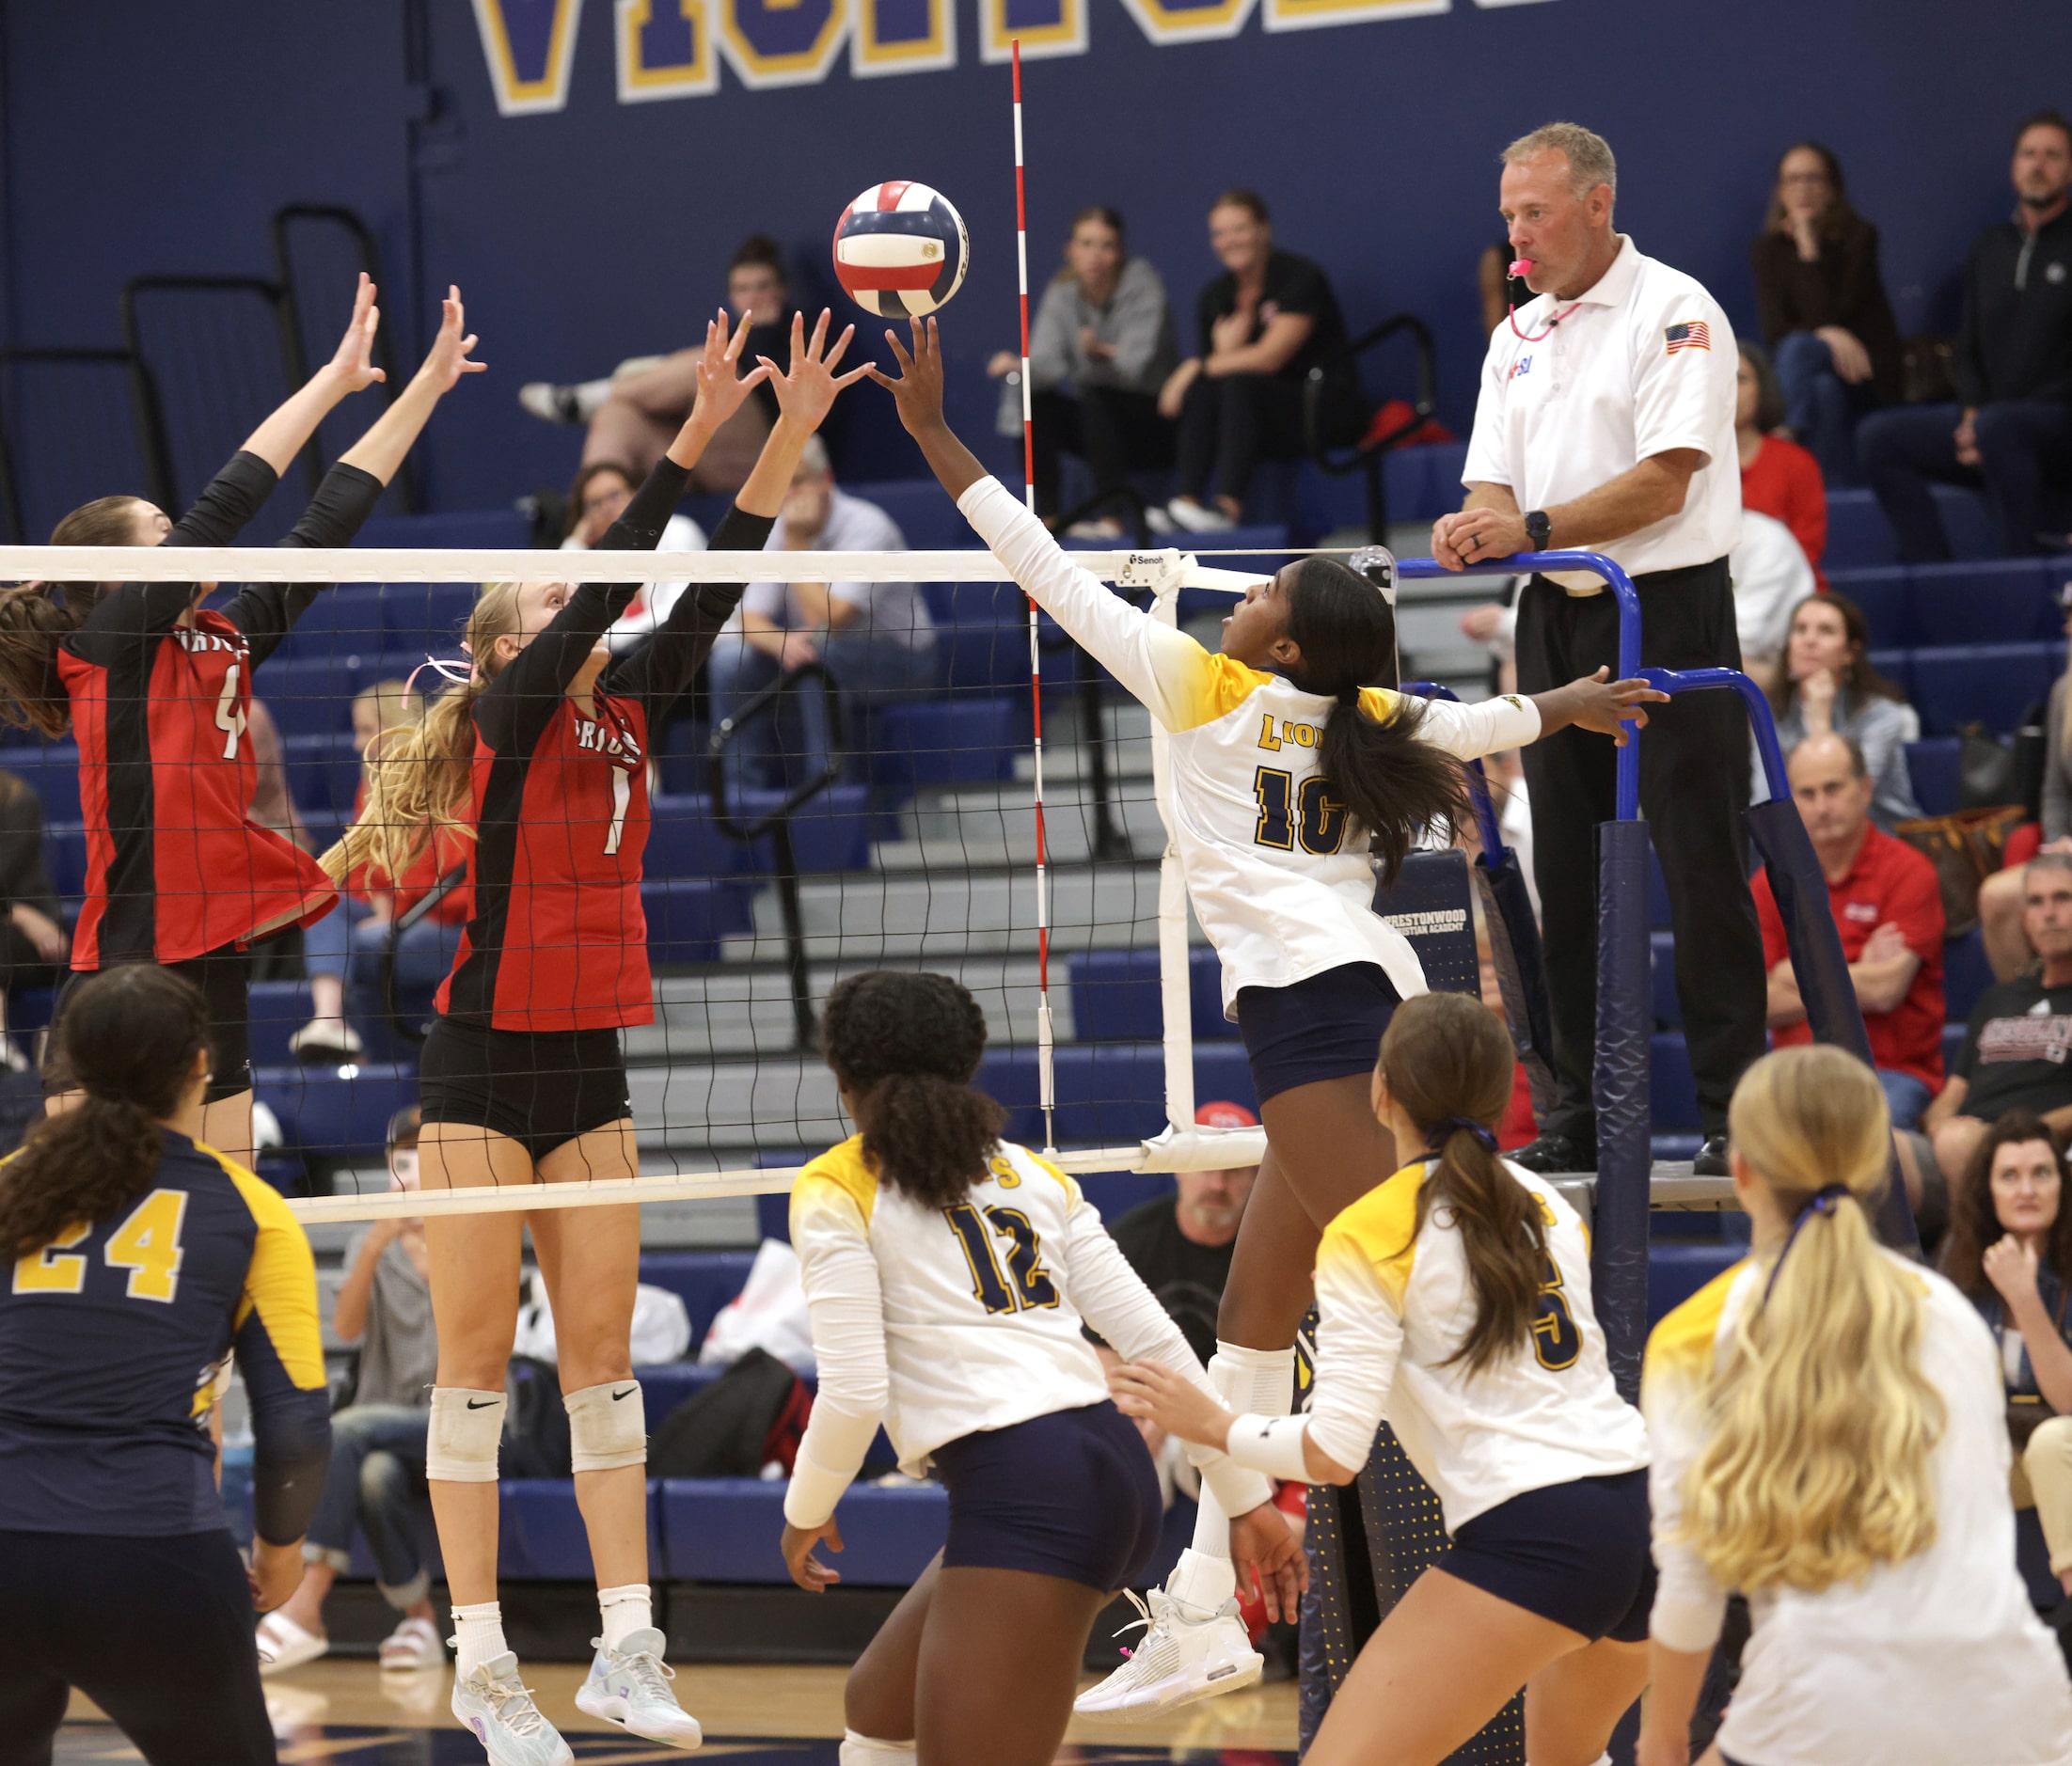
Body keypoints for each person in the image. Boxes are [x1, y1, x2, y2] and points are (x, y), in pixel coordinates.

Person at [867, 311, 1665, 1716]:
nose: (1232, 601)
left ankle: (1555, 1559)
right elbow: (1479, 728)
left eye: (1257, 594)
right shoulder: (1364, 704)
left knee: (1419, 1304)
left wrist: (933, 430)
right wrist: (1570, 700)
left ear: (1277, 634)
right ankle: (1197, 1608)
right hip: (1367, 1005)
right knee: (1249, 1314)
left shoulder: (1205, 688)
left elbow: (1040, 568)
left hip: (1312, 1027)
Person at [326, 310, 863, 1762]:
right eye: (557, 585)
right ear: (513, 632)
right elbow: (618, 576)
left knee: (606, 1370)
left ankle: (630, 1649)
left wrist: (788, 431)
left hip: (588, 1062)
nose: (585, 592)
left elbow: (710, 579)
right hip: (480, 1066)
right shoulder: (511, 705)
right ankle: (486, 1663)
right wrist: (690, 434)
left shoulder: (627, 703)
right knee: (474, 1377)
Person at [0, 278, 481, 1165]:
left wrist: (425, 388)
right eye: (159, 531)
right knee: (70, 1185)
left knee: (227, 1184)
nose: (180, 536)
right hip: (127, 950)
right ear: (111, 574)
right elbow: (229, 501)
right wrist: (333, 381)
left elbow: (328, 520)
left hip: (212, 946)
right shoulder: (111, 644)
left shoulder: (223, 639)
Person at [1110, 990, 1653, 1766]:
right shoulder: (1545, 1204)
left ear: (1379, 1095)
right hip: (1642, 1513)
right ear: (1500, 1098)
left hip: (1536, 1534)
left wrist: (1212, 1424)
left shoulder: (1369, 1227)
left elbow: (1335, 1453)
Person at [779, 970, 1291, 1766]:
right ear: (968, 1063)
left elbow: (852, 1392)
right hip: (1105, 1461)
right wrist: (1244, 1497)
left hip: (1031, 1482)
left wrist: (804, 1508)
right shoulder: (1032, 1174)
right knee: (877, 1706)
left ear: (842, 1076)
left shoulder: (834, 1185)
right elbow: (1162, 1350)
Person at [1435, 119, 1761, 1180]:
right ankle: (1575, 1107)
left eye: (1533, 213)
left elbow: (1665, 479)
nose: (1516, 237)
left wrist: (1528, 529)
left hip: (1664, 605)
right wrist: (1479, 523)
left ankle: (1731, 1109)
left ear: (1595, 205)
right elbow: (1491, 474)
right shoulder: (1515, 332)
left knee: (1698, 861)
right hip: (1556, 614)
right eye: (1506, 217)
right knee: (1560, 869)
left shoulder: (1676, 309)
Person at [1637, 1045, 2072, 1766]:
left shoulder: (1693, 1337)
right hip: (2017, 1710)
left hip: (1822, 1711)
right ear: (1879, 1166)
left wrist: (1659, 1741)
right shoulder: (1948, 1312)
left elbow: (1689, 1585)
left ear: (1739, 1170)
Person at [0, 966, 332, 1766]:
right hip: (148, 1553)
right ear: (199, 1066)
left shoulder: (9, 1188)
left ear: (69, 1064)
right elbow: (296, 1426)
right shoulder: (251, 1209)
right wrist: (279, 1555)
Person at [254, 1107, 443, 1674]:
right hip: (390, 1419)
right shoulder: (373, 1240)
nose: (406, 1172)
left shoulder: (475, 1229)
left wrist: (428, 1245)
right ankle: (421, 1622)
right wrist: (379, 1241)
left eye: (420, 1160)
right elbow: (346, 1328)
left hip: (462, 1413)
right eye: (399, 1160)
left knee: (346, 1429)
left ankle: (306, 1604)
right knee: (373, 1475)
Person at [1859, 111, 2072, 561]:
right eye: (2029, 153)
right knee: (1880, 437)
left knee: (2002, 428)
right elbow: (1968, 343)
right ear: (2014, 166)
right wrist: (1972, 412)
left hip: (2057, 423)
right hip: (1991, 421)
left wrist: (1997, 418)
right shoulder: (1989, 246)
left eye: (2053, 155)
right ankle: (1932, 573)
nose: (2039, 164)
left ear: (2069, 168)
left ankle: (2026, 570)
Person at [704, 434, 934, 794]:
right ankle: (740, 793)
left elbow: (832, 618)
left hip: (900, 660)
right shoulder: (777, 528)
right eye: (779, 487)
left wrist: (796, 544)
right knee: (729, 661)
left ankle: (827, 791)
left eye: (796, 483)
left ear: (824, 479)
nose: (788, 497)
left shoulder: (867, 526)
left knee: (819, 653)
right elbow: (749, 618)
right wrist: (781, 644)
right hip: (819, 651)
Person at [1753, 733, 1946, 1131]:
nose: (1822, 806)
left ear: (1865, 789)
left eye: (1833, 789)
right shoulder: (1769, 883)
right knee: (1747, 1143)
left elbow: (1885, 991)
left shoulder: (1909, 871)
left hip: (1887, 1072)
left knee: (1860, 1133)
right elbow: (1759, 1004)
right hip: (1797, 1074)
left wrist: (1793, 973)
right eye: (1806, 794)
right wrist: (1857, 970)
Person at [522, 238, 799, 492]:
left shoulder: (804, 335)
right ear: (731, 296)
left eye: (762, 287)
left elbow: (807, 417)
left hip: (763, 461)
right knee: (614, 416)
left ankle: (582, 400)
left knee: (703, 365)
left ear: (782, 291)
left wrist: (766, 336)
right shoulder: (730, 337)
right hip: (696, 462)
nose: (752, 297)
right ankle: (590, 525)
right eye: (742, 288)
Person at [1159, 191, 1362, 532]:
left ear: (1263, 229)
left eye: (1239, 229)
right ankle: (1187, 504)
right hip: (1259, 420)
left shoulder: (1299, 277)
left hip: (1322, 408)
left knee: (1235, 382)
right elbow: (1223, 373)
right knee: (1210, 391)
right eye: (1219, 233)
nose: (1229, 241)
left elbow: (1269, 359)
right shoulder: (1216, 296)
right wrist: (1217, 362)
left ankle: (1227, 509)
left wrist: (1195, 367)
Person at [1941, 1111, 2072, 1614]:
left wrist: (2025, 1298)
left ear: (2062, 1183)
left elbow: (2067, 1405)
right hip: (1994, 1447)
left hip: (2057, 1440)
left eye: (2042, 1173)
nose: (2027, 1189)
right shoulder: (1962, 1259)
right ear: (1988, 1190)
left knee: (2050, 1443)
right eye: (2009, 1176)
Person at [987, 205, 1178, 529]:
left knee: (1094, 394)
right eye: (1086, 244)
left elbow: (1134, 367)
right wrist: (1018, 366)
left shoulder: (1144, 285)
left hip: (1154, 423)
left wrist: (1101, 355)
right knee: (1034, 397)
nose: (1095, 255)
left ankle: (1111, 519)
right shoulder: (1062, 292)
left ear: (1120, 252)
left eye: (1106, 245)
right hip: (1098, 423)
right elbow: (1046, 363)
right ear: (1070, 250)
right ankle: (1047, 520)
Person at [1749, 141, 1903, 486]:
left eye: (1813, 179)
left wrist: (1807, 245)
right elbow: (1775, 330)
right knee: (1821, 389)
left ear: (1832, 189)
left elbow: (1833, 311)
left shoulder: (1860, 238)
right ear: (1780, 191)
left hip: (1863, 371)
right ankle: (1831, 495)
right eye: (1792, 180)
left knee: (1801, 348)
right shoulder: (1767, 250)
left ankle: (1781, 443)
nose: (1802, 188)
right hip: (1810, 373)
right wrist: (1828, 334)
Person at [1921, 852, 2072, 1195]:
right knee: (1880, 1149)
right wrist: (1941, 1126)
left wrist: (2014, 1133)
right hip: (1959, 1146)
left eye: (2063, 898)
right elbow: (1953, 1092)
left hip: (2044, 1149)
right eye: (2035, 902)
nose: (2049, 913)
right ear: (2025, 920)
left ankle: (1976, 1242)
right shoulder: (1996, 998)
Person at [1103, 1100, 1258, 1365]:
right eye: (1207, 1165)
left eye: (1235, 1170)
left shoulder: (1278, 1252)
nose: (1218, 1184)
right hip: (1150, 1397)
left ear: (1257, 1176)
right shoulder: (1126, 1243)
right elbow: (1101, 1352)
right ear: (1178, 1167)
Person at [1771, 591, 1921, 828]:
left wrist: (1819, 722)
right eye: (1800, 629)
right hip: (1800, 845)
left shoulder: (1882, 716)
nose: (1810, 640)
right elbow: (1763, 800)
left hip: (1882, 841)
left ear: (1850, 652)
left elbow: (1845, 802)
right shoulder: (1769, 715)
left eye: (1825, 631)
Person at [1984, 587, 2072, 977]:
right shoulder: (2064, 692)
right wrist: (2060, 845)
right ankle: (2030, 1006)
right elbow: (2055, 791)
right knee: (1998, 897)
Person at [561, 460, 708, 654]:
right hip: (628, 654)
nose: (607, 508)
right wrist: (576, 541)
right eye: (595, 504)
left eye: (614, 495)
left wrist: (602, 639)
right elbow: (564, 605)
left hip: (694, 646)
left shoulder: (677, 531)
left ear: (636, 494)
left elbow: (675, 612)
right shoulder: (599, 559)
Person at [1736, 339, 1828, 592]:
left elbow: (1807, 546)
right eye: (1719, 378)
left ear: (1762, 388)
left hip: (1787, 593)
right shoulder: (1690, 461)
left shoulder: (1796, 462)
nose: (1729, 390)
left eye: (1741, 379)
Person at [0, 766, 65, 1070]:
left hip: (34, 941)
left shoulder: (17, 799)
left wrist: (19, 914)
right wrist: (19, 914)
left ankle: (2, 1044)